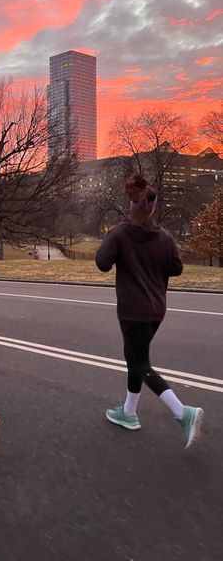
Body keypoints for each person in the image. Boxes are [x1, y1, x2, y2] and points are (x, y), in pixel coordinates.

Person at [95, 174, 203, 449]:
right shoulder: (164, 238)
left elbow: (102, 263)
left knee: (139, 364)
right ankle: (129, 414)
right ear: (153, 207)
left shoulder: (120, 232)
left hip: (133, 311)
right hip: (156, 310)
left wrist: (118, 245)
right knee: (136, 358)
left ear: (131, 204)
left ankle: (183, 413)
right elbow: (176, 268)